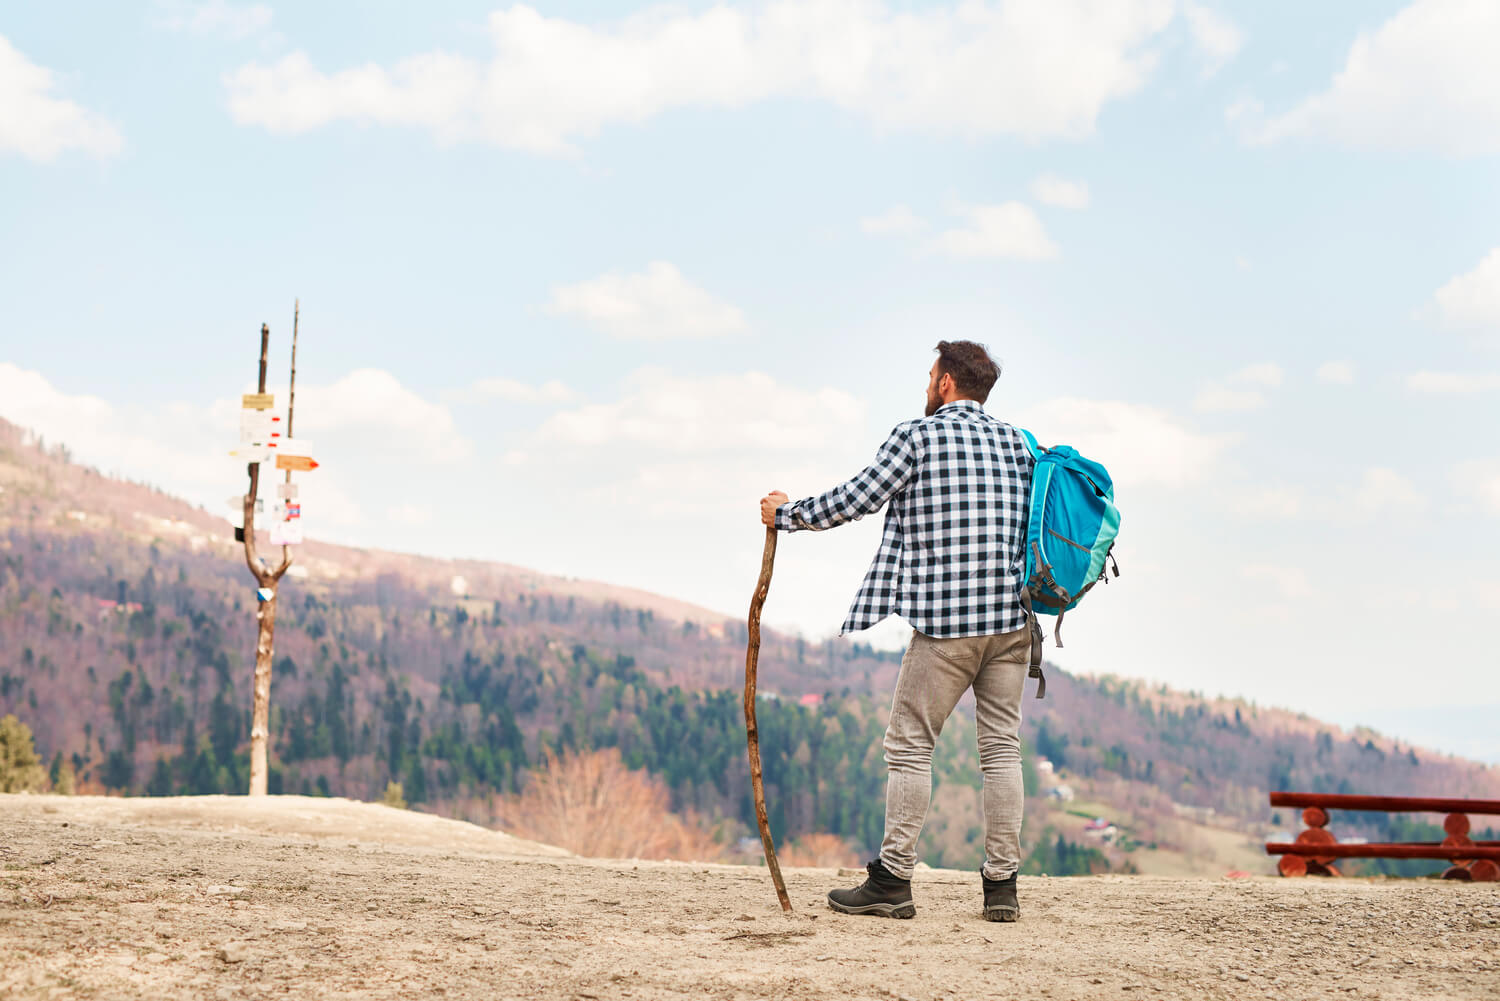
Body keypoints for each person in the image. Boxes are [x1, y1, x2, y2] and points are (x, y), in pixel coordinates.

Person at [759, 340, 1036, 922]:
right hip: (1014, 624)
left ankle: (892, 880)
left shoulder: (918, 435)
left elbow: (856, 498)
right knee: (1001, 751)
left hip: (948, 627)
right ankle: (1002, 888)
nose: (927, 383)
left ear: (944, 384)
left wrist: (787, 513)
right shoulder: (1018, 444)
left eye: (930, 374)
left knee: (910, 747)